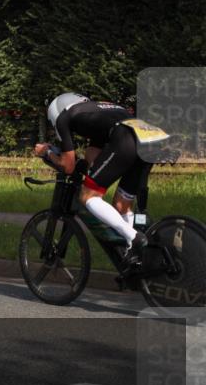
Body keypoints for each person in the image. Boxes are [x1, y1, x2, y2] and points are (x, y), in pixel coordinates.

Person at [34, 93, 155, 273]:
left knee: (88, 196)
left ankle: (134, 238)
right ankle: (134, 260)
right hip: (150, 137)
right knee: (121, 205)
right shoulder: (98, 111)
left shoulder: (64, 118)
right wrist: (86, 168)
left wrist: (47, 152)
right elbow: (94, 158)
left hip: (126, 139)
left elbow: (67, 166)